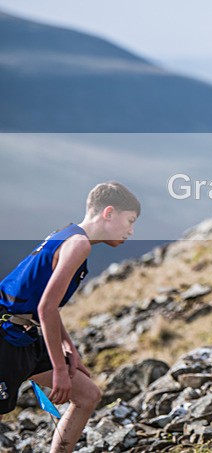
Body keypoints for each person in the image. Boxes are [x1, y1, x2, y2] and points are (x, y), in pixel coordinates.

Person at [0, 182, 140, 453]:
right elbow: (46, 309)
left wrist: (69, 348)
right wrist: (60, 371)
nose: (131, 231)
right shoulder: (78, 245)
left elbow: (44, 304)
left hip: (25, 335)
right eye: (130, 221)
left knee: (88, 395)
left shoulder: (68, 236)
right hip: (5, 336)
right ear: (108, 213)